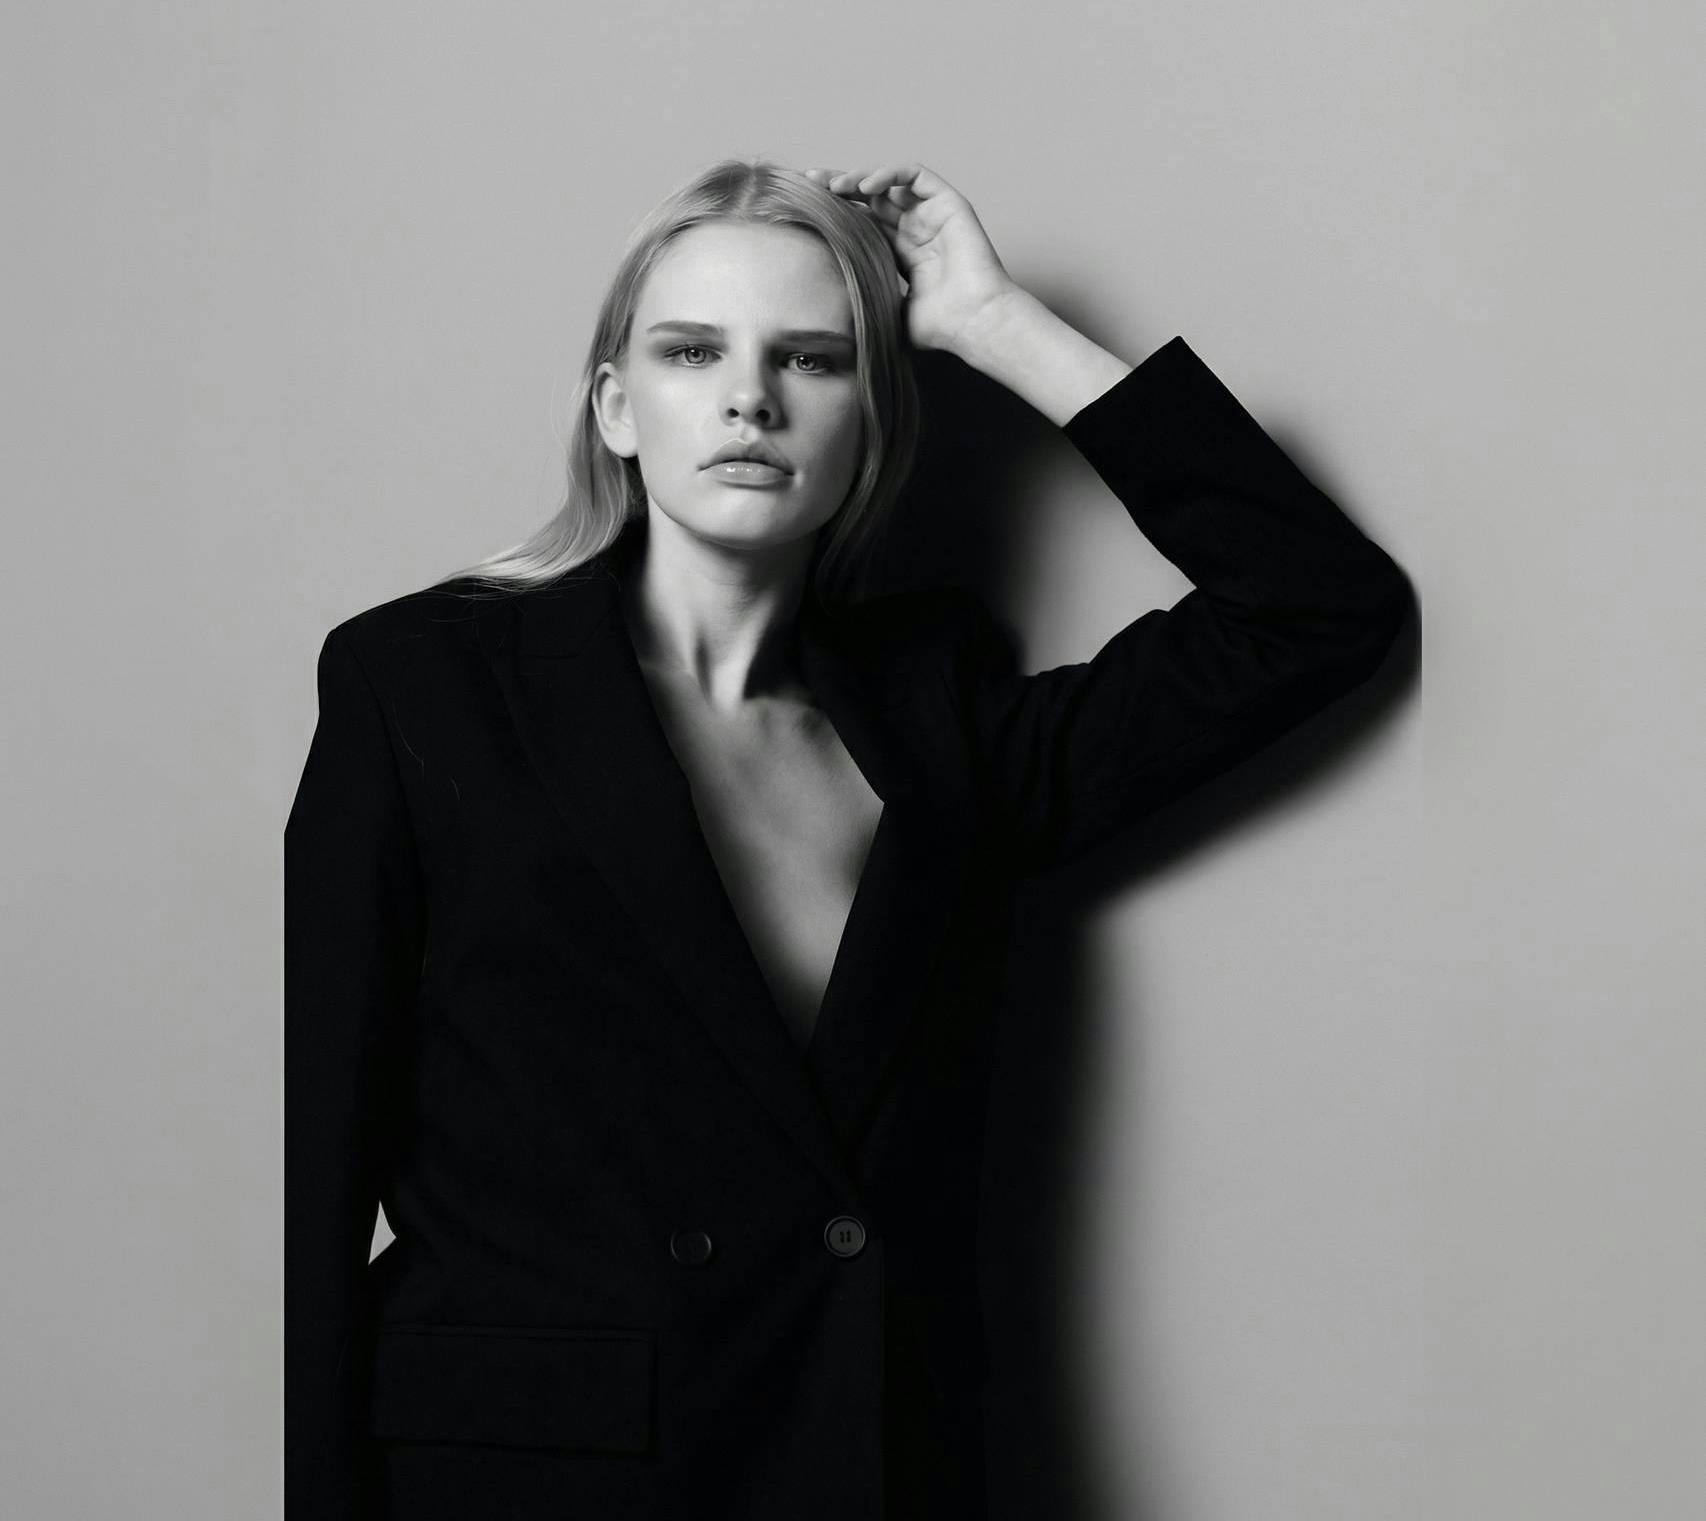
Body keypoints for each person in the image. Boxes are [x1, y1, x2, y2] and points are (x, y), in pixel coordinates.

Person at [285, 158, 1410, 1520]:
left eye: (810, 360)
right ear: (615, 408)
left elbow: (1316, 610)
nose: (748, 397)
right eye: (690, 351)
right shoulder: (426, 685)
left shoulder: (942, 720)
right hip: (531, 1478)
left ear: (869, 428)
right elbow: (326, 1160)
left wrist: (997, 325)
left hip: (859, 1464)